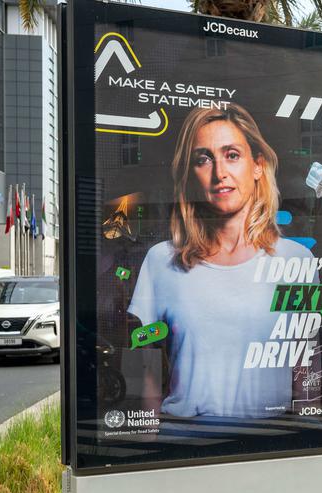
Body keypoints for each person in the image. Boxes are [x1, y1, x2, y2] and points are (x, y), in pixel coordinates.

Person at [128, 104, 312, 419]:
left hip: (275, 439)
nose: (219, 173)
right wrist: (147, 435)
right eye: (203, 159)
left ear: (257, 166)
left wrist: (313, 434)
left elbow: (306, 363)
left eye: (232, 155)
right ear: (189, 175)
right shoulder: (161, 261)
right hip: (184, 442)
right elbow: (143, 364)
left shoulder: (297, 260)